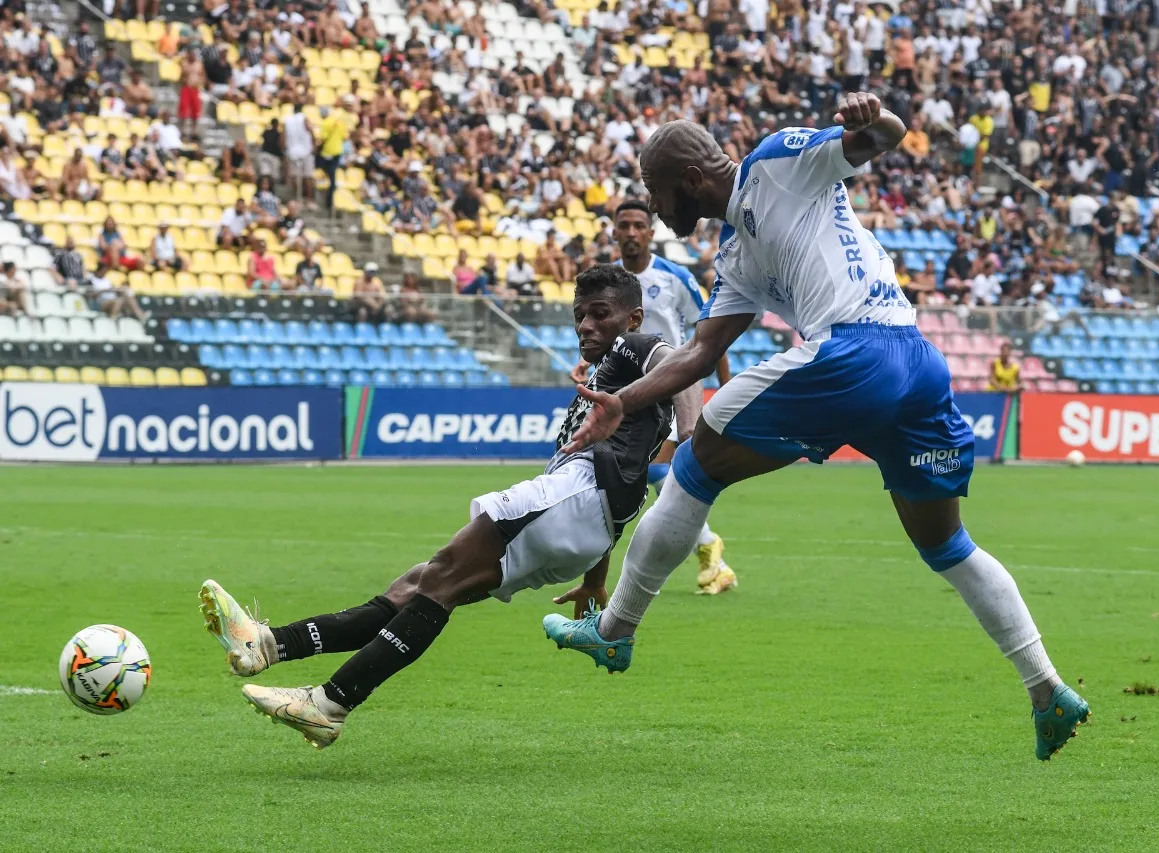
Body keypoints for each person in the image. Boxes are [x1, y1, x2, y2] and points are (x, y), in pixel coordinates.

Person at [542, 95, 1090, 762]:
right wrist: (622, 401)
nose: (653, 211)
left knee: (694, 465)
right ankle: (1047, 689)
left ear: (689, 178)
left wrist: (875, 114)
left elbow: (883, 136)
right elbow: (696, 353)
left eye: (655, 194)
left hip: (856, 353)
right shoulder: (738, 252)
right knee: (946, 545)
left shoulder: (777, 162)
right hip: (918, 366)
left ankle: (616, 628)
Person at [197, 265, 695, 749]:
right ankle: (269, 645)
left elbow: (686, 368)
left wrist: (690, 435)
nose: (586, 325)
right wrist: (592, 577)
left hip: (574, 500)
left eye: (600, 313)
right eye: (580, 313)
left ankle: (329, 703)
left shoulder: (638, 345)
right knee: (416, 587)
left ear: (632, 318)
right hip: (586, 520)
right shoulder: (611, 375)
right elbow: (614, 487)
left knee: (436, 582)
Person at [570, 199, 736, 593]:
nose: (630, 232)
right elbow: (598, 332)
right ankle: (709, 550)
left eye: (637, 225)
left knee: (653, 471)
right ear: (613, 231)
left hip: (670, 390)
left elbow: (710, 332)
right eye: (622, 225)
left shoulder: (675, 277)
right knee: (642, 474)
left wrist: (724, 391)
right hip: (619, 392)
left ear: (649, 232)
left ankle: (708, 549)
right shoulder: (605, 282)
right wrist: (586, 366)